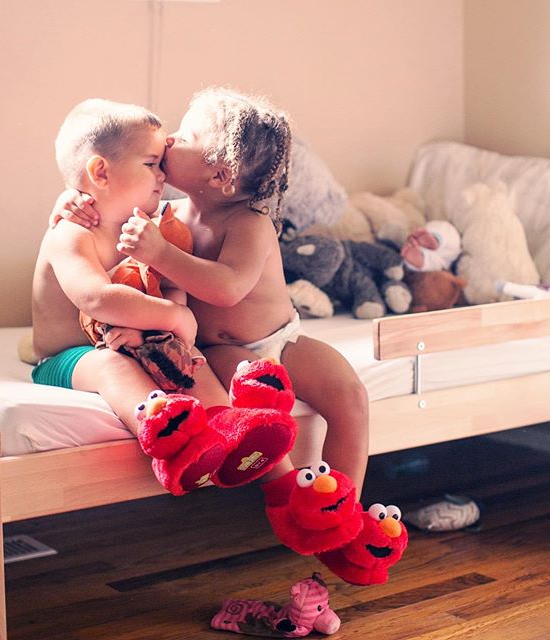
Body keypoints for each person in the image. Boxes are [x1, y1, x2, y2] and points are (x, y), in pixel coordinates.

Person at [54, 89, 369, 500]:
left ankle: (341, 506)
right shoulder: (165, 213)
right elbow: (109, 201)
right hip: (223, 351)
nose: (169, 140)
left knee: (351, 397)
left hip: (282, 341)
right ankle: (292, 499)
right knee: (252, 413)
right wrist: (70, 201)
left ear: (220, 176)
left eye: (184, 137)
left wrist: (160, 253)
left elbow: (227, 288)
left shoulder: (250, 224)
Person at [32, 98, 231, 442]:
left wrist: (166, 323)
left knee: (189, 358)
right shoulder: (71, 233)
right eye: (151, 163)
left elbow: (166, 283)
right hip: (70, 357)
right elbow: (98, 299)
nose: (162, 175)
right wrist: (174, 317)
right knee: (113, 367)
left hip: (135, 341)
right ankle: (169, 438)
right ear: (101, 173)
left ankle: (226, 432)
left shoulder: (146, 229)